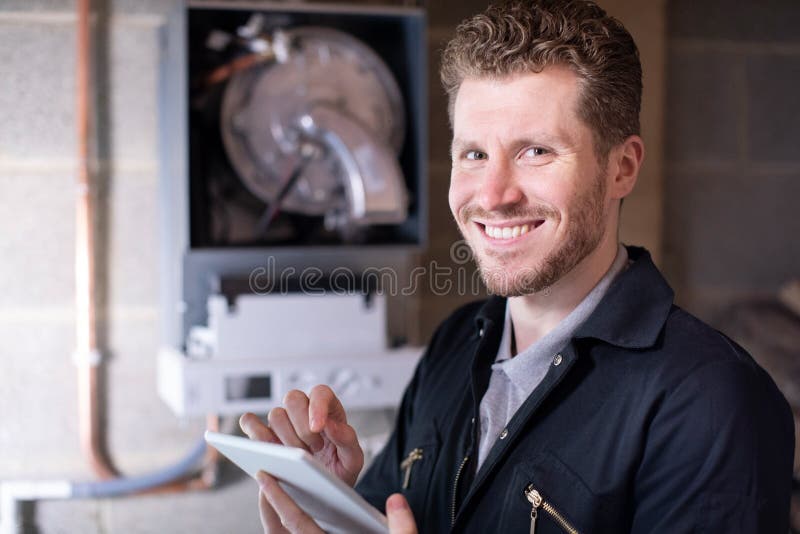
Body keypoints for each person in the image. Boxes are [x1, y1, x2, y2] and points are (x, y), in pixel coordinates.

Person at [240, 1, 795, 532]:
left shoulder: (713, 404)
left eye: (536, 151)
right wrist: (334, 504)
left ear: (621, 168)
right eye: (474, 154)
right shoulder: (455, 344)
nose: (494, 194)